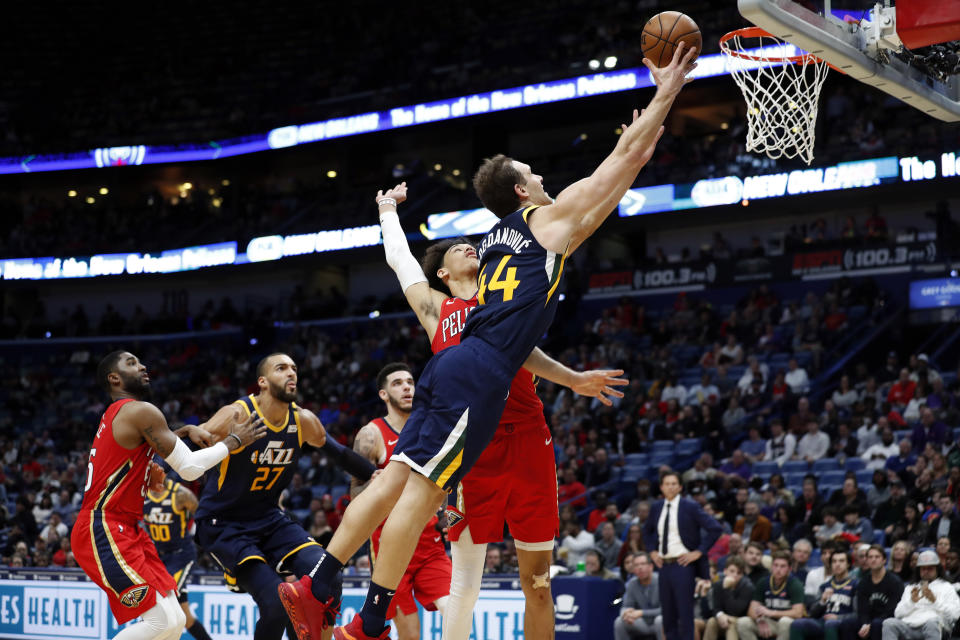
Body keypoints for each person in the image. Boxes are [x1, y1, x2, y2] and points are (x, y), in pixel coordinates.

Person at [295, 39, 699, 640]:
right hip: (478, 382)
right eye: (534, 175)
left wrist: (641, 147)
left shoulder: (492, 249)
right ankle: (370, 615)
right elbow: (609, 173)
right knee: (422, 495)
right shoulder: (542, 223)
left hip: (465, 373)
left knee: (399, 483)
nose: (543, 178)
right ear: (521, 193)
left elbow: (603, 200)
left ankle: (323, 584)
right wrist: (667, 89)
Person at [344, 177, 628, 640]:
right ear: (443, 272)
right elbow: (400, 259)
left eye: (471, 243)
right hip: (469, 443)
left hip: (527, 432)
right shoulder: (437, 308)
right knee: (465, 582)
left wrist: (574, 379)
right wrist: (387, 211)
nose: (470, 248)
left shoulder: (504, 294)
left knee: (537, 583)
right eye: (458, 248)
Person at [72, 350, 264, 640]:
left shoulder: (124, 414)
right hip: (104, 528)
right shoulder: (140, 411)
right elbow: (189, 469)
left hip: (126, 527)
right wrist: (234, 441)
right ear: (114, 378)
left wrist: (181, 433)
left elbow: (131, 458)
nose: (143, 366)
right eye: (132, 363)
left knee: (175, 620)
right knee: (161, 621)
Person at [193, 353, 377, 640]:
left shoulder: (303, 421)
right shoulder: (238, 413)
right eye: (281, 369)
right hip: (223, 523)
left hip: (269, 518)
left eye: (294, 368)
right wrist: (160, 468)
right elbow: (192, 444)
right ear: (262, 382)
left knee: (329, 577)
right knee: (277, 605)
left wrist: (374, 472)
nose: (291, 373)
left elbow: (338, 453)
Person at [350, 363, 451, 640]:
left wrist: (448, 520)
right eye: (397, 383)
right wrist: (376, 486)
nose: (407, 387)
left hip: (430, 545)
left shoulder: (432, 429)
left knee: (456, 609)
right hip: (390, 548)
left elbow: (447, 487)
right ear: (383, 394)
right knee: (410, 634)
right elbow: (354, 496)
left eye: (410, 382)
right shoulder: (371, 435)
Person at [643, 470, 723, 640]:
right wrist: (652, 551)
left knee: (685, 614)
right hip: (663, 565)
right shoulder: (656, 507)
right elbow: (647, 532)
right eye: (667, 484)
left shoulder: (690, 507)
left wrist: (699, 552)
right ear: (661, 487)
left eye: (674, 484)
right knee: (668, 615)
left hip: (683, 565)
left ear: (680, 487)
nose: (671, 487)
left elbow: (715, 528)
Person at [143, 472, 213, 640]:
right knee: (186, 617)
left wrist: (210, 548)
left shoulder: (181, 494)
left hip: (182, 556)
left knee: (163, 603)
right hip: (159, 558)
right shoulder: (141, 495)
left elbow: (204, 517)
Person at [882, 549, 960, 640]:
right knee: (889, 623)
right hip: (909, 626)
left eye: (930, 568)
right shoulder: (910, 587)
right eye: (923, 568)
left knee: (932, 623)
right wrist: (911, 602)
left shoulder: (947, 587)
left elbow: (955, 615)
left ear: (937, 569)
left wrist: (935, 601)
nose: (926, 571)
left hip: (935, 626)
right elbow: (897, 614)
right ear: (919, 570)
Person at [788, 549, 858, 640]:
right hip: (823, 622)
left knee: (831, 623)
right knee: (797, 624)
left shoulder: (856, 584)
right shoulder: (824, 586)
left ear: (848, 564)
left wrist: (837, 617)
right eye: (834, 561)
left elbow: (858, 614)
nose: (837, 564)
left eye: (841, 561)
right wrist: (822, 601)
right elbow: (812, 614)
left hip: (844, 623)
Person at [737, 551, 806, 640]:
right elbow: (751, 610)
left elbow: (798, 613)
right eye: (776, 565)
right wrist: (759, 620)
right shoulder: (763, 582)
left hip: (787, 625)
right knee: (743, 622)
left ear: (789, 569)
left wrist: (772, 613)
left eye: (782, 566)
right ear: (771, 567)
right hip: (768, 623)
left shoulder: (795, 584)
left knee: (785, 621)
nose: (778, 569)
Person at [857, 545, 904, 640]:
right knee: (848, 623)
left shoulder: (895, 582)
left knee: (877, 624)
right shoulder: (863, 582)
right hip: (869, 621)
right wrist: (865, 624)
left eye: (877, 557)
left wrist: (870, 625)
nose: (873, 560)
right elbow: (862, 609)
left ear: (884, 560)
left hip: (888, 620)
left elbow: (892, 610)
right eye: (870, 557)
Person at [703, 555, 754, 640]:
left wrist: (727, 589)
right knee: (712, 621)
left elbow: (735, 611)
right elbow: (715, 607)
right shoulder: (718, 585)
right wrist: (720, 615)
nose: (735, 575)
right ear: (725, 571)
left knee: (730, 623)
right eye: (732, 571)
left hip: (741, 621)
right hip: (723, 619)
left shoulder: (747, 587)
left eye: (739, 573)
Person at [615, 552, 663, 640]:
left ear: (651, 566)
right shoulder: (632, 583)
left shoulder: (661, 581)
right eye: (636, 565)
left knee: (660, 620)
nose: (640, 568)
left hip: (658, 621)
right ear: (633, 569)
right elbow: (626, 606)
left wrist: (641, 613)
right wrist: (626, 614)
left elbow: (666, 610)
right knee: (619, 621)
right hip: (642, 623)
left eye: (643, 564)